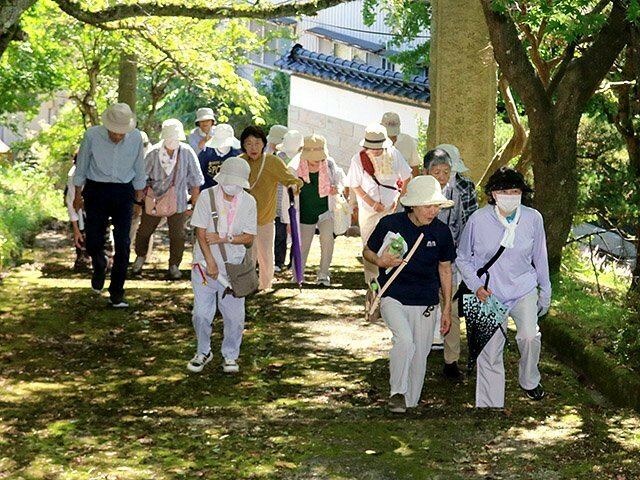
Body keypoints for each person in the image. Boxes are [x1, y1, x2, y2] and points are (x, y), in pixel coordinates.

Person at [456, 167, 551, 408]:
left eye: (515, 191)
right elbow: (463, 258)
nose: (510, 195)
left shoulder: (533, 218)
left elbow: (540, 256)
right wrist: (476, 286)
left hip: (523, 288)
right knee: (489, 349)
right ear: (493, 194)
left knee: (530, 336)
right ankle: (490, 404)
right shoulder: (478, 219)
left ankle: (529, 380)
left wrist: (545, 290)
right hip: (488, 292)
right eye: (504, 190)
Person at [364, 175, 455, 413]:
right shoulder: (390, 224)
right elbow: (367, 251)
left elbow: (445, 270)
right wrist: (380, 261)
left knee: (420, 355)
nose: (433, 211)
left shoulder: (442, 233)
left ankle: (410, 404)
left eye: (436, 206)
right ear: (412, 205)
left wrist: (446, 308)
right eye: (428, 206)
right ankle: (397, 392)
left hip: (426, 301)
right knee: (404, 341)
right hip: (393, 295)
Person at [188, 157, 257, 374]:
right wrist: (209, 260)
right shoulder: (207, 197)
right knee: (201, 313)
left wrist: (224, 239)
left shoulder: (248, 202)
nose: (231, 187)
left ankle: (230, 355)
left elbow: (248, 237)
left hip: (233, 268)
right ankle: (203, 351)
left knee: (234, 317)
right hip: (204, 266)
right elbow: (200, 231)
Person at [73, 103, 145, 308]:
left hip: (124, 191)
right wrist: (77, 194)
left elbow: (139, 169)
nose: (118, 136)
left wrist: (138, 200)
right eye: (114, 132)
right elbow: (82, 165)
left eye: (122, 133)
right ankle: (99, 264)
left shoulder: (136, 137)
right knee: (93, 241)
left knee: (123, 244)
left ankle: (117, 293)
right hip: (97, 190)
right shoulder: (92, 135)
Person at [424, 146, 478, 379]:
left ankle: (451, 360)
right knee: (420, 309)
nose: (443, 177)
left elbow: (467, 225)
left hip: (450, 261)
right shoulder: (415, 192)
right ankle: (416, 353)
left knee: (451, 308)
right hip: (420, 263)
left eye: (446, 172)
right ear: (426, 172)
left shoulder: (460, 191)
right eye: (437, 172)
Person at [132, 119, 204, 279]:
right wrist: (139, 200)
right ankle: (140, 257)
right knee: (144, 232)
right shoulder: (153, 152)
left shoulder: (186, 152)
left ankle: (174, 265)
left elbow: (196, 179)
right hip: (154, 200)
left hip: (178, 200)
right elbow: (141, 178)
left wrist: (194, 202)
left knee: (177, 235)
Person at [345, 123, 412, 284]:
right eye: (372, 147)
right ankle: (372, 283)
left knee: (392, 243)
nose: (375, 150)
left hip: (391, 209)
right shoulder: (358, 159)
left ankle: (391, 280)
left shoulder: (394, 155)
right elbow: (355, 184)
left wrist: (399, 199)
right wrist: (373, 204)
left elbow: (406, 177)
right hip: (369, 210)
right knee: (369, 245)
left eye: (378, 147)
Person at [239, 126, 303, 291]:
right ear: (243, 146)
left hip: (265, 218)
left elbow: (290, 179)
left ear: (264, 144)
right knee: (247, 255)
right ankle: (247, 285)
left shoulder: (272, 161)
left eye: (257, 143)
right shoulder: (239, 162)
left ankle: (265, 285)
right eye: (249, 143)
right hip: (241, 220)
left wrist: (294, 186)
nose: (253, 147)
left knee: (266, 255)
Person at [286, 134, 345, 286]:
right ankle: (297, 275)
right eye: (314, 159)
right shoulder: (294, 167)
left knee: (327, 241)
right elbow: (287, 197)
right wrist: (288, 221)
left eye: (320, 158)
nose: (318, 162)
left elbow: (341, 181)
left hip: (325, 209)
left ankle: (323, 275)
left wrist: (336, 189)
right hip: (305, 212)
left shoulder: (329, 164)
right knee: (302, 245)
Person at [274, 130, 304, 272]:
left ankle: (293, 261)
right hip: (278, 201)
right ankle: (278, 261)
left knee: (296, 233)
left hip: (296, 201)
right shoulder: (277, 158)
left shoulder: (303, 159)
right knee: (280, 234)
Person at [198, 123, 241, 190]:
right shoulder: (206, 154)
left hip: (231, 192)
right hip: (208, 192)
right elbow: (199, 175)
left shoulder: (237, 155)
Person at [381, 112, 422, 177]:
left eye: (394, 136)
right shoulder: (373, 141)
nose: (391, 140)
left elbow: (414, 167)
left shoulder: (407, 140)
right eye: (388, 136)